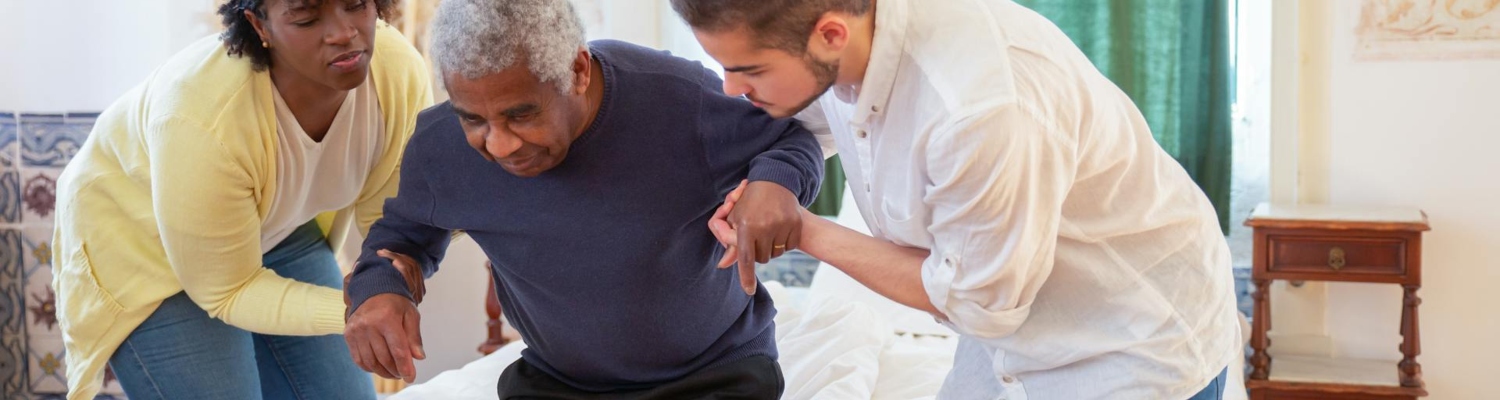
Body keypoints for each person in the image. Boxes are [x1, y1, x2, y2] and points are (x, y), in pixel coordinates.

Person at [673, 0, 1243, 399]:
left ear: (830, 34)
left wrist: (806, 229)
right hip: (1008, 329)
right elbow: (809, 122)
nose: (729, 88)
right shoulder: (848, 42)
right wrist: (773, 177)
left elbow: (978, 304)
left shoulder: (976, 110)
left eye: (747, 70)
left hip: (1131, 340)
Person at [340, 0, 822, 399]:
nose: (500, 143)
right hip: (560, 384)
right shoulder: (439, 147)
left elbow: (792, 142)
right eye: (473, 119)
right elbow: (400, 239)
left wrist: (775, 183)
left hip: (716, 372)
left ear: (577, 70)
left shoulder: (677, 99)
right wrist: (379, 287)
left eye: (522, 114)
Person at [50, 0, 432, 398]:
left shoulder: (394, 70)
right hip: (144, 248)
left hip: (278, 226)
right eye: (306, 15)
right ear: (259, 24)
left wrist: (381, 285)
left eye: (355, 3)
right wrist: (358, 307)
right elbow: (228, 291)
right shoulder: (202, 115)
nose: (343, 32)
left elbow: (390, 222)